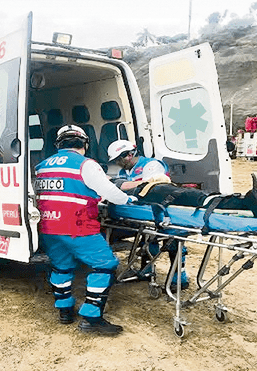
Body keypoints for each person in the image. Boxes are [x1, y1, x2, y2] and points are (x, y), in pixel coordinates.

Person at [35, 125, 135, 335]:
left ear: (58, 144)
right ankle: (92, 318)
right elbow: (110, 191)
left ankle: (64, 311)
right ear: (84, 144)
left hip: (48, 226)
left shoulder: (42, 166)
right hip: (77, 226)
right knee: (105, 264)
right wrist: (128, 199)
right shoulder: (86, 164)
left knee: (61, 266)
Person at [107, 139, 190, 290]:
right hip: (140, 212)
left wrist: (117, 184)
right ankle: (146, 271)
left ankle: (179, 278)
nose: (117, 163)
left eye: (119, 159)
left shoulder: (151, 166)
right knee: (146, 240)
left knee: (173, 240)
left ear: (129, 155)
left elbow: (152, 187)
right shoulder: (123, 172)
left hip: (162, 210)